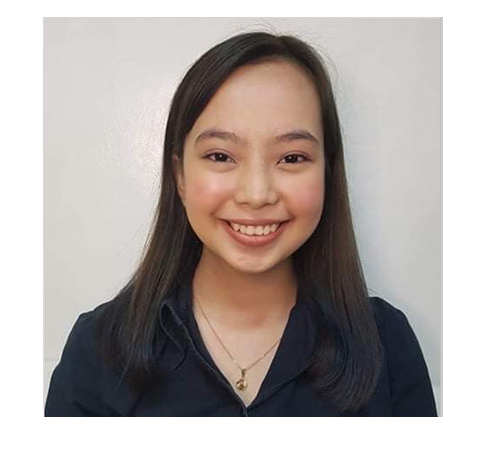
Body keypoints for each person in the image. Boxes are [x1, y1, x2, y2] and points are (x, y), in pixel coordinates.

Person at [45, 31, 437, 417]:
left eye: (292, 158)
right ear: (180, 176)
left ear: (327, 174)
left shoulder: (386, 342)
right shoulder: (97, 349)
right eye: (220, 156)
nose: (256, 194)